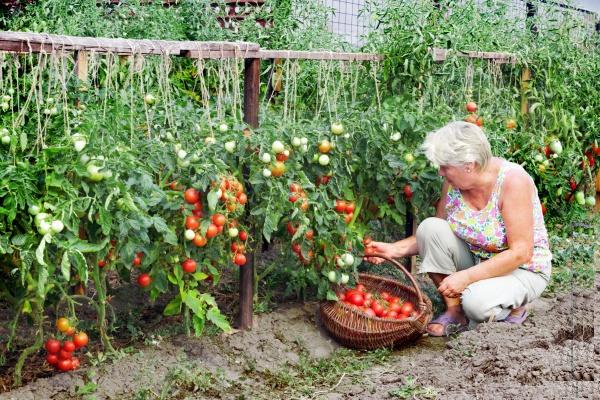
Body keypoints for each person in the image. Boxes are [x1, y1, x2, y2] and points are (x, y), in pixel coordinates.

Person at [367, 121, 552, 336]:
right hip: (477, 259)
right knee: (430, 227)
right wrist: (393, 250)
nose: (440, 172)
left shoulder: (512, 182)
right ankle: (455, 311)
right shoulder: (454, 183)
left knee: (475, 303)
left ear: (469, 165)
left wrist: (465, 278)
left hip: (521, 269)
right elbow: (436, 234)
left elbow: (521, 252)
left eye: (445, 167)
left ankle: (512, 307)